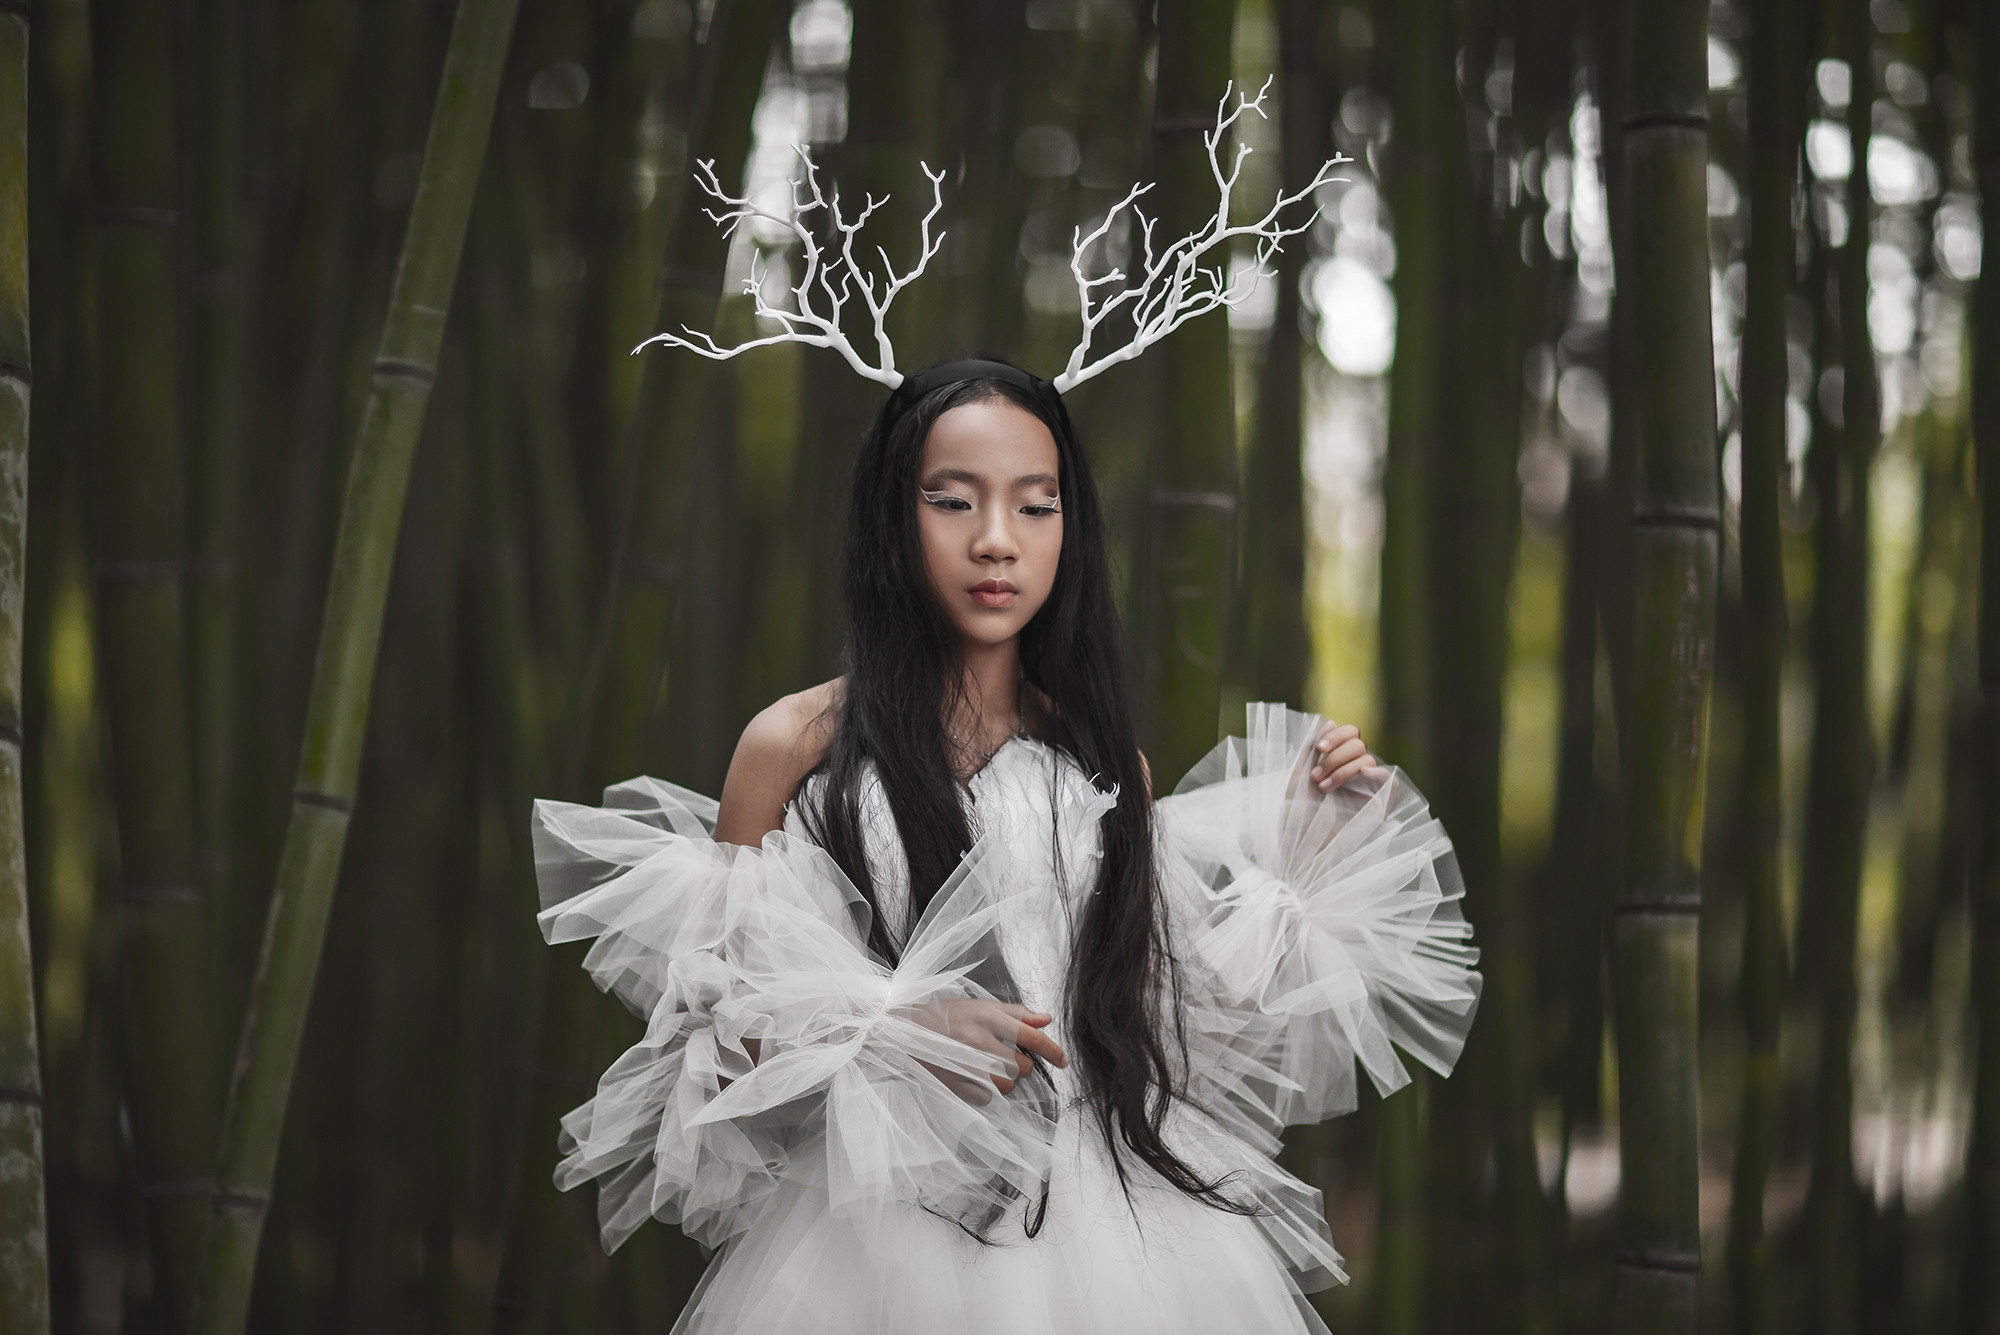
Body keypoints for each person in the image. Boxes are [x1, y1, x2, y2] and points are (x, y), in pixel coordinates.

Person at [531, 356, 1481, 1334]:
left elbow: (1160, 1043)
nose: (997, 541)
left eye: (1036, 506)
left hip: (1116, 1231)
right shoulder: (791, 750)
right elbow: (717, 1045)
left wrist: (1310, 853)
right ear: (893, 519)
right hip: (875, 1230)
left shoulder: (1105, 763)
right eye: (953, 502)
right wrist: (901, 1030)